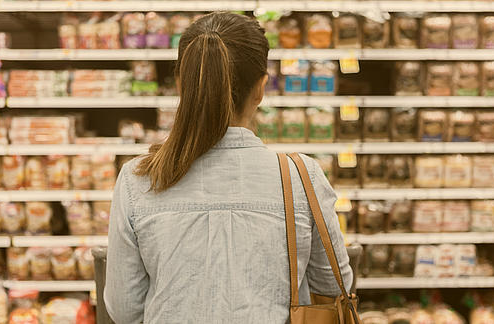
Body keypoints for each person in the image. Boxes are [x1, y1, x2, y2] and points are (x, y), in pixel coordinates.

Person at [104, 12, 352, 324]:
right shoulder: (301, 176)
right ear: (261, 88)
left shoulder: (138, 179)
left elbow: (124, 308)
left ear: (182, 85)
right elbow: (332, 284)